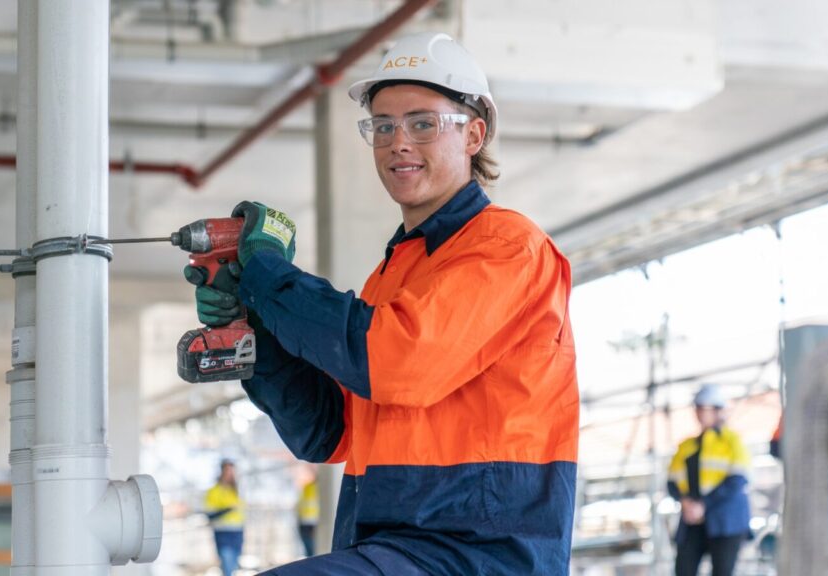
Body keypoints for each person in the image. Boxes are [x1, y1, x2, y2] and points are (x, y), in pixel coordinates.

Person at [188, 31, 579, 575]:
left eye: (423, 124)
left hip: (480, 554)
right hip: (393, 549)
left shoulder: (506, 247)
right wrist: (254, 327)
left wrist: (269, 277)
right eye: (384, 126)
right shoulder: (392, 277)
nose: (399, 141)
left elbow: (400, 361)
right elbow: (327, 432)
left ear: (474, 134)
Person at [667, 384, 752, 576]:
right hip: (692, 522)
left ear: (718, 410)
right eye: (697, 408)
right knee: (683, 569)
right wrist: (685, 501)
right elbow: (672, 481)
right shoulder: (686, 446)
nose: (698, 413)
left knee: (722, 571)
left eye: (703, 408)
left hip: (726, 521)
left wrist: (704, 505)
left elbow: (737, 480)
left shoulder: (732, 442)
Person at [204, 459, 244, 576]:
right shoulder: (214, 491)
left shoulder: (235, 491)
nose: (230, 474)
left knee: (234, 565)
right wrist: (227, 509)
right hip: (223, 533)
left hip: (237, 532)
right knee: (227, 565)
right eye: (227, 471)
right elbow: (210, 514)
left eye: (232, 471)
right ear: (221, 472)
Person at [296, 474, 319, 557]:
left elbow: (300, 504)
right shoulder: (318, 488)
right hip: (311, 520)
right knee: (310, 543)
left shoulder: (308, 487)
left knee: (308, 543)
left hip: (305, 520)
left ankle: (310, 557)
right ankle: (311, 557)